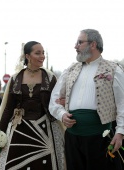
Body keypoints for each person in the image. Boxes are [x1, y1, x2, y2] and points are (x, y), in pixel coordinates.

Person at [49, 29, 124, 170]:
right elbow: (54, 100)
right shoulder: (70, 69)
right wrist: (62, 114)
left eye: (80, 42)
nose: (75, 46)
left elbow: (122, 104)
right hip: (73, 138)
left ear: (93, 44)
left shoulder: (114, 69)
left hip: (100, 137)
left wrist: (120, 132)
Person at [0, 41, 66, 170]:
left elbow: (57, 103)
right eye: (38, 53)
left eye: (43, 53)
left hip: (45, 131)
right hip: (20, 130)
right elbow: (8, 108)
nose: (42, 56)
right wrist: (0, 133)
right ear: (27, 56)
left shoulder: (50, 77)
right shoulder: (15, 79)